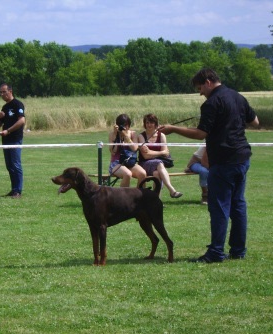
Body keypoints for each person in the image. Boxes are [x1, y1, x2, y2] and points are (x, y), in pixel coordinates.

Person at [160, 68, 260, 263]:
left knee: (219, 207)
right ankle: (238, 251)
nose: (200, 93)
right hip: (242, 158)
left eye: (199, 88)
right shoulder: (238, 97)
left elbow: (200, 133)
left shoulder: (212, 103)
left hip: (223, 161)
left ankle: (215, 253)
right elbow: (255, 121)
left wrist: (173, 129)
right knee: (238, 205)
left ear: (207, 82)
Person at [138, 113, 182, 198]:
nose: (149, 125)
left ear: (155, 124)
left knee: (157, 173)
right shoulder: (141, 136)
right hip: (144, 164)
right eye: (147, 123)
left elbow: (166, 153)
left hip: (157, 166)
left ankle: (157, 199)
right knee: (159, 163)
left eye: (151, 122)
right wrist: (160, 153)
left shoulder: (161, 135)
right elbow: (146, 156)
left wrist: (150, 152)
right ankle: (171, 190)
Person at [0, 83, 26, 198]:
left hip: (15, 139)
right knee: (9, 165)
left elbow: (22, 121)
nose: (2, 94)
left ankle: (18, 191)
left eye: (4, 92)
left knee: (16, 164)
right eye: (1, 92)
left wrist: (8, 131)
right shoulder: (5, 107)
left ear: (10, 91)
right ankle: (14, 189)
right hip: (5, 140)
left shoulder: (17, 104)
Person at [108, 114, 146, 187]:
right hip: (116, 163)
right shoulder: (112, 134)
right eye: (123, 125)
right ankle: (124, 197)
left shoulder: (133, 134)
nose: (125, 128)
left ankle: (139, 196)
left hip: (129, 162)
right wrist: (116, 136)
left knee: (142, 173)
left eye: (127, 125)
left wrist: (126, 137)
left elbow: (135, 148)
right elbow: (113, 152)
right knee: (127, 174)